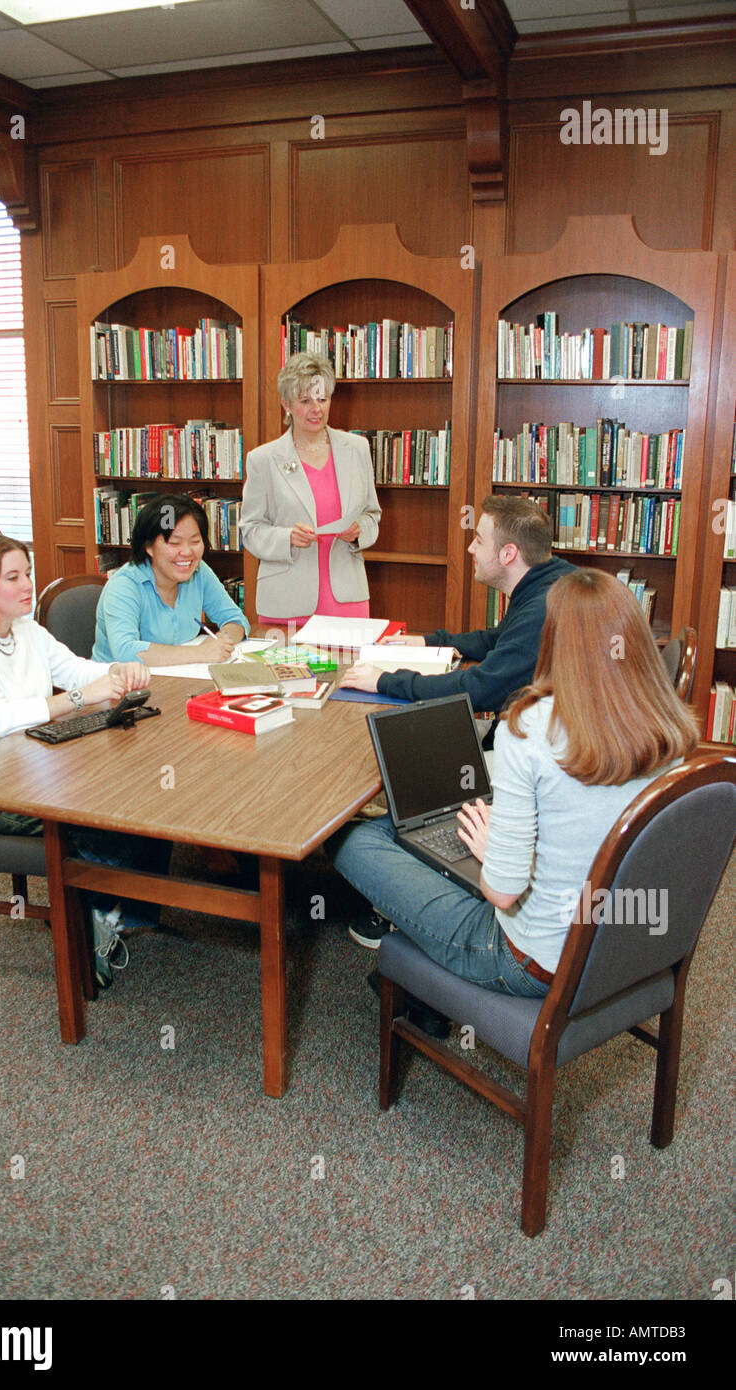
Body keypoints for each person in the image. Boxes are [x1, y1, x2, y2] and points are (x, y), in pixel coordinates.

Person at [328, 568, 698, 1034]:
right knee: (440, 841)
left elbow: (502, 892)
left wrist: (493, 853)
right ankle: (421, 992)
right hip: (632, 940)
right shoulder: (671, 726)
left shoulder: (532, 727)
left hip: (532, 964)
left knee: (357, 840)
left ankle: (421, 985)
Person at [0, 533, 172, 987]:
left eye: (28, 573)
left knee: (141, 791)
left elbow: (75, 669)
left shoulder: (25, 629)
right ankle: (92, 926)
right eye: (14, 577)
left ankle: (129, 912)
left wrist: (118, 671)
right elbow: (0, 719)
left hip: (37, 764)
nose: (28, 585)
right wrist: (82, 697)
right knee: (108, 814)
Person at [340, 494, 575, 720]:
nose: (471, 548)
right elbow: (499, 640)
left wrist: (384, 680)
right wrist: (428, 642)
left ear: (508, 554)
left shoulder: (541, 611)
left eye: (480, 540)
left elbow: (479, 689)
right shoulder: (552, 580)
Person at [240, 351, 381, 632]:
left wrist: (358, 532)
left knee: (350, 677)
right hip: (286, 601)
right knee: (287, 676)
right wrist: (286, 537)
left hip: (347, 598)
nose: (316, 409)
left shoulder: (357, 449)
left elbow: (372, 515)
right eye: (305, 401)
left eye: (322, 399)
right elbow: (250, 530)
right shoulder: (263, 459)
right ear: (286, 405)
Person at [93, 493, 249, 666]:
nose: (187, 552)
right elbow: (125, 651)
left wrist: (221, 641)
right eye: (174, 543)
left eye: (195, 541)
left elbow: (235, 620)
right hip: (120, 686)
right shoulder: (124, 586)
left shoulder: (198, 571)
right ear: (149, 546)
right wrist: (200, 652)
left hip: (177, 677)